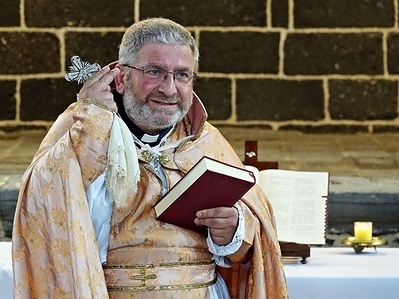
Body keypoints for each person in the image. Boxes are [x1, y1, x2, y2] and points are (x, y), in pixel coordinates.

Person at [12, 17, 287, 298]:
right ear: (121, 78)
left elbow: (255, 233)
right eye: (154, 72)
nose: (169, 89)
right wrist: (93, 123)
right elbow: (40, 205)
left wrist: (233, 231)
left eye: (182, 75)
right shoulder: (83, 127)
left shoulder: (203, 139)